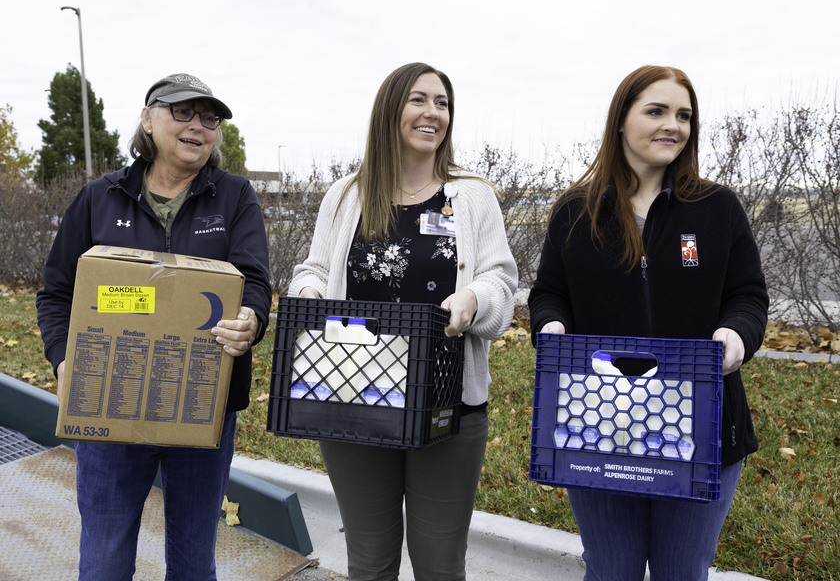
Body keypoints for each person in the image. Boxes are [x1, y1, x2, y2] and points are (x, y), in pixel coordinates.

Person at [528, 65, 768, 581]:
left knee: (681, 572)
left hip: (703, 427)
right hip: (598, 423)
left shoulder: (717, 208)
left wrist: (736, 336)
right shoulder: (575, 211)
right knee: (611, 570)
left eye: (684, 115)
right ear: (621, 121)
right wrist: (549, 326)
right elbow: (550, 293)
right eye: (656, 111)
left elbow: (747, 295)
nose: (673, 126)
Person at [36, 73, 272, 580]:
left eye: (209, 118)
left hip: (202, 405)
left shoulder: (234, 197)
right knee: (103, 560)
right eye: (182, 112)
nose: (197, 127)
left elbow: (253, 280)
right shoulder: (100, 198)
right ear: (148, 119)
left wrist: (251, 319)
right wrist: (62, 358)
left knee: (193, 561)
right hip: (109, 406)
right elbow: (57, 291)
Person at [289, 62, 517, 581]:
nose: (432, 112)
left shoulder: (472, 195)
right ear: (390, 109)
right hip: (355, 393)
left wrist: (473, 300)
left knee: (439, 564)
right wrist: (309, 294)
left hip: (447, 404)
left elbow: (502, 283)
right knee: (369, 561)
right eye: (419, 99)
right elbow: (316, 267)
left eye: (442, 103)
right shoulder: (347, 195)